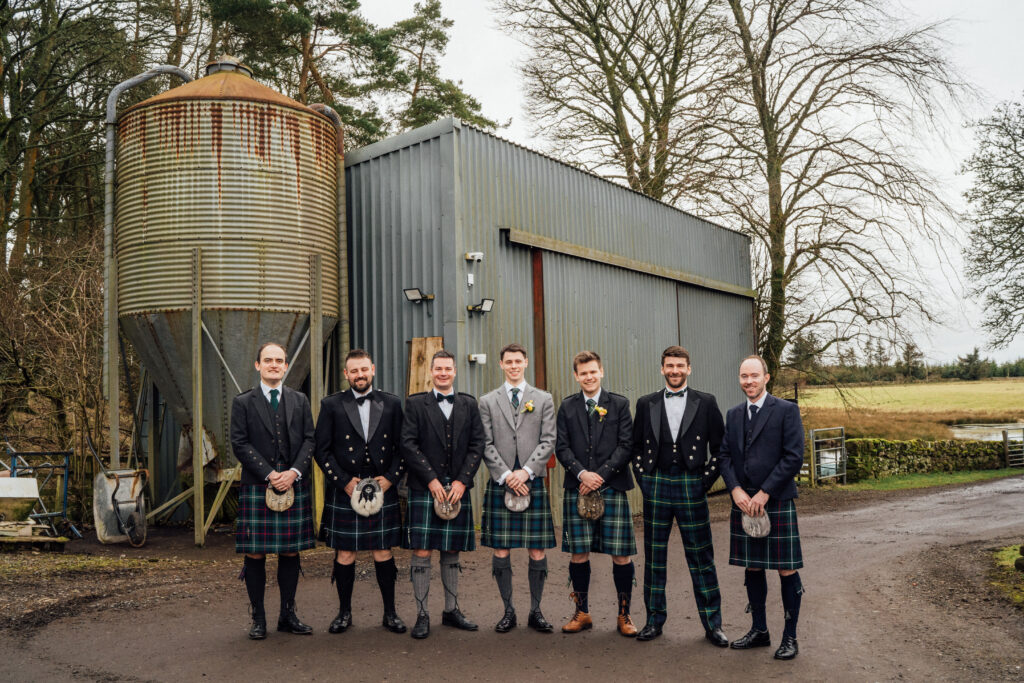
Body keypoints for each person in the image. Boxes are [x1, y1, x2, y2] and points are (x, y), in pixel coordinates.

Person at [631, 345, 729, 646]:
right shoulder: (646, 403)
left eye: (680, 366)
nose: (675, 370)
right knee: (654, 558)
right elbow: (635, 447)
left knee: (701, 557)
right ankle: (653, 621)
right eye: (669, 366)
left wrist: (704, 482)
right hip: (657, 484)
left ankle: (713, 624)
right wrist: (644, 481)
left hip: (691, 484)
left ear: (689, 368)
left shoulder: (706, 402)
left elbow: (721, 448)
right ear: (662, 369)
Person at [719, 355, 806, 660]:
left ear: (766, 378)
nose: (749, 381)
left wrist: (765, 492)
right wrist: (736, 490)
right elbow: (724, 457)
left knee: (786, 568)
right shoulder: (733, 415)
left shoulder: (786, 410)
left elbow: (794, 456)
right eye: (744, 376)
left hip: (776, 500)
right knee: (752, 566)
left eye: (755, 376)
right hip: (744, 502)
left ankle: (790, 637)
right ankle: (759, 631)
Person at [314, 349, 406, 635]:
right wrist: (343, 481)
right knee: (345, 553)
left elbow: (403, 448)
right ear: (346, 374)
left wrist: (391, 479)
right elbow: (321, 449)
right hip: (347, 488)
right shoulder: (331, 405)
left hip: (381, 486)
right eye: (354, 371)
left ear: (373, 369)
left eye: (364, 369)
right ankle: (344, 613)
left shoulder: (391, 403)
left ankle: (390, 613)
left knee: (383, 550)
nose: (360, 375)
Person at [230, 341, 316, 640]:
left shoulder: (300, 400)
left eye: (279, 360)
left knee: (290, 551)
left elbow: (309, 440)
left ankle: (287, 614)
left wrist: (293, 473)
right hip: (258, 484)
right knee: (255, 553)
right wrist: (269, 474)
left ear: (286, 365)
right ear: (258, 365)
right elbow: (239, 443)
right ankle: (258, 618)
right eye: (268, 360)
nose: (274, 365)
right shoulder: (243, 402)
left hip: (293, 482)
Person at [400, 349, 486, 639]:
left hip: (457, 487)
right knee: (422, 550)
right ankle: (422, 613)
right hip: (426, 488)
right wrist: (432, 480)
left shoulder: (468, 404)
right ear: (431, 372)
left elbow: (478, 444)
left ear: (454, 371)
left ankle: (451, 610)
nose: (443, 373)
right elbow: (408, 444)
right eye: (438, 369)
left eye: (448, 369)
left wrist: (462, 481)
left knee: (452, 549)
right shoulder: (414, 404)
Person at [555, 350, 638, 636]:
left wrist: (600, 476)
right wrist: (582, 473)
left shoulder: (619, 404)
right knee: (578, 553)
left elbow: (627, 446)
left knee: (621, 554)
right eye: (583, 373)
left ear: (601, 372)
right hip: (578, 488)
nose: (589, 377)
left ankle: (624, 615)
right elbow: (561, 446)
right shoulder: (567, 407)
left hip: (612, 486)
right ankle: (582, 613)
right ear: (575, 376)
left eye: (593, 371)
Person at [478, 343, 557, 634]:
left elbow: (548, 440)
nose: (513, 366)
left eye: (518, 361)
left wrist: (525, 472)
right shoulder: (487, 401)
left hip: (531, 481)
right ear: (501, 365)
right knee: (501, 548)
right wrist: (506, 475)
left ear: (525, 363)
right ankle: (508, 611)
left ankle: (536, 611)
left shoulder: (544, 398)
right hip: (502, 483)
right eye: (508, 361)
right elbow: (484, 443)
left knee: (537, 549)